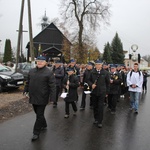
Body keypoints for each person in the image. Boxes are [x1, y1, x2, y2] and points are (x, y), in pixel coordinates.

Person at [23, 56, 56, 141]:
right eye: (38, 61)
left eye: (42, 61)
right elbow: (28, 82)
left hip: (43, 97)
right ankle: (44, 124)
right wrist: (25, 90)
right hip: (33, 96)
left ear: (45, 62)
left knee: (39, 115)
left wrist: (52, 98)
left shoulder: (49, 73)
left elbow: (53, 87)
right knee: (38, 113)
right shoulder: (31, 71)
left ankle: (36, 133)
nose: (39, 62)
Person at [88, 60, 110, 128]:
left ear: (101, 65)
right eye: (96, 64)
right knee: (95, 106)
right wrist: (91, 85)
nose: (98, 66)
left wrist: (107, 92)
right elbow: (88, 80)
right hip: (94, 92)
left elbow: (108, 83)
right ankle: (96, 119)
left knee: (100, 106)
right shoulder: (92, 72)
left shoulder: (105, 73)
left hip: (102, 92)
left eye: (99, 64)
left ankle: (100, 121)